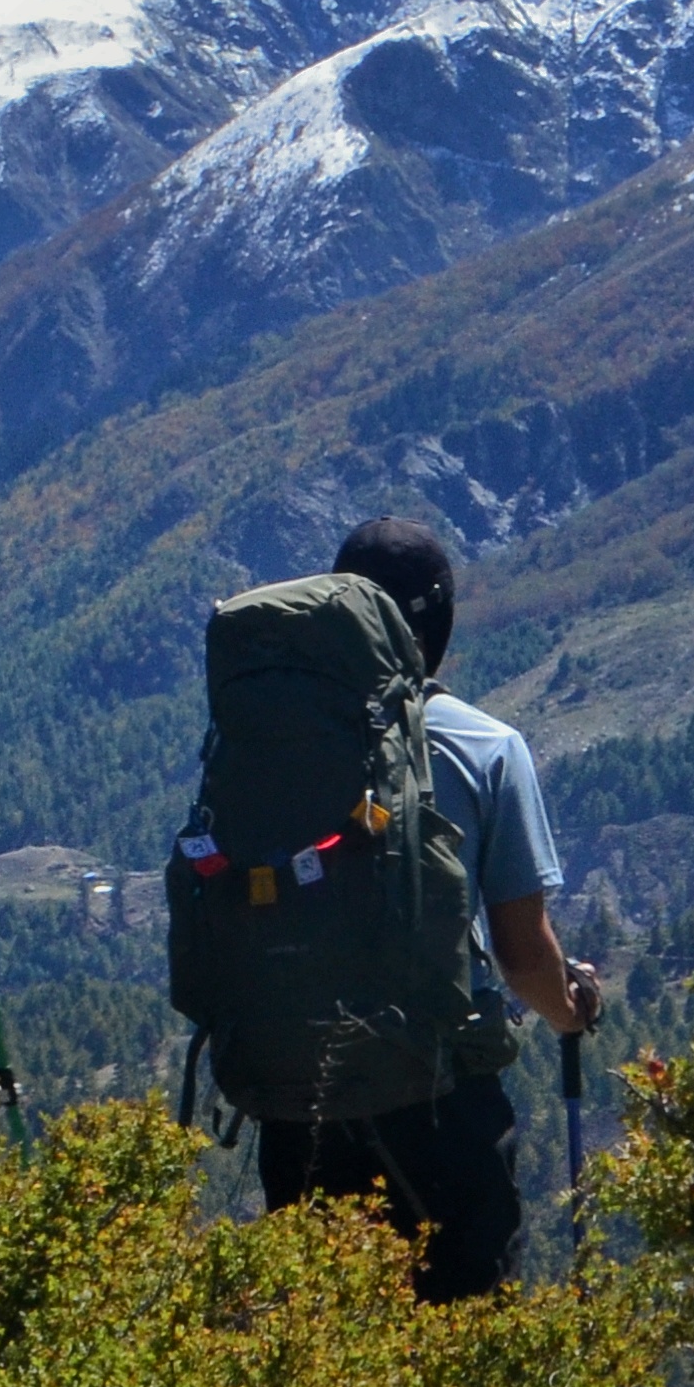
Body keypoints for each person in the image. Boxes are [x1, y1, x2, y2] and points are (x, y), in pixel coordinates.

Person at [254, 517, 601, 1301]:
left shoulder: (273, 742)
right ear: (438, 627)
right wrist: (570, 1010)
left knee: (321, 1364)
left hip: (297, 1103)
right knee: (463, 1358)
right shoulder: (484, 748)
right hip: (439, 1112)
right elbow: (522, 959)